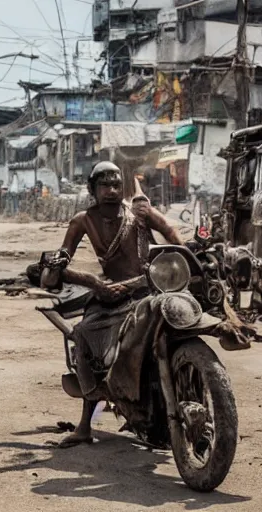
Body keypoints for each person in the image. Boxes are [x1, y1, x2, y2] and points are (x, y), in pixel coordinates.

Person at [50, 161, 182, 448]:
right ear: (92, 190)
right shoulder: (83, 220)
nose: (111, 191)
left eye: (116, 185)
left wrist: (189, 252)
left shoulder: (139, 212)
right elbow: (63, 257)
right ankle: (85, 425)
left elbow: (172, 235)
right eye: (104, 185)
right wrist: (83, 277)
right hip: (111, 295)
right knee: (84, 335)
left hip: (148, 289)